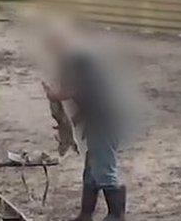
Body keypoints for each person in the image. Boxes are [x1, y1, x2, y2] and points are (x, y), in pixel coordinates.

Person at [42, 27, 128, 221]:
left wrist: (54, 95)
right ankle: (86, 213)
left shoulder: (80, 62)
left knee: (104, 166)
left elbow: (77, 88)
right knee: (91, 168)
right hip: (99, 119)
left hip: (104, 122)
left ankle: (116, 214)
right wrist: (74, 120)